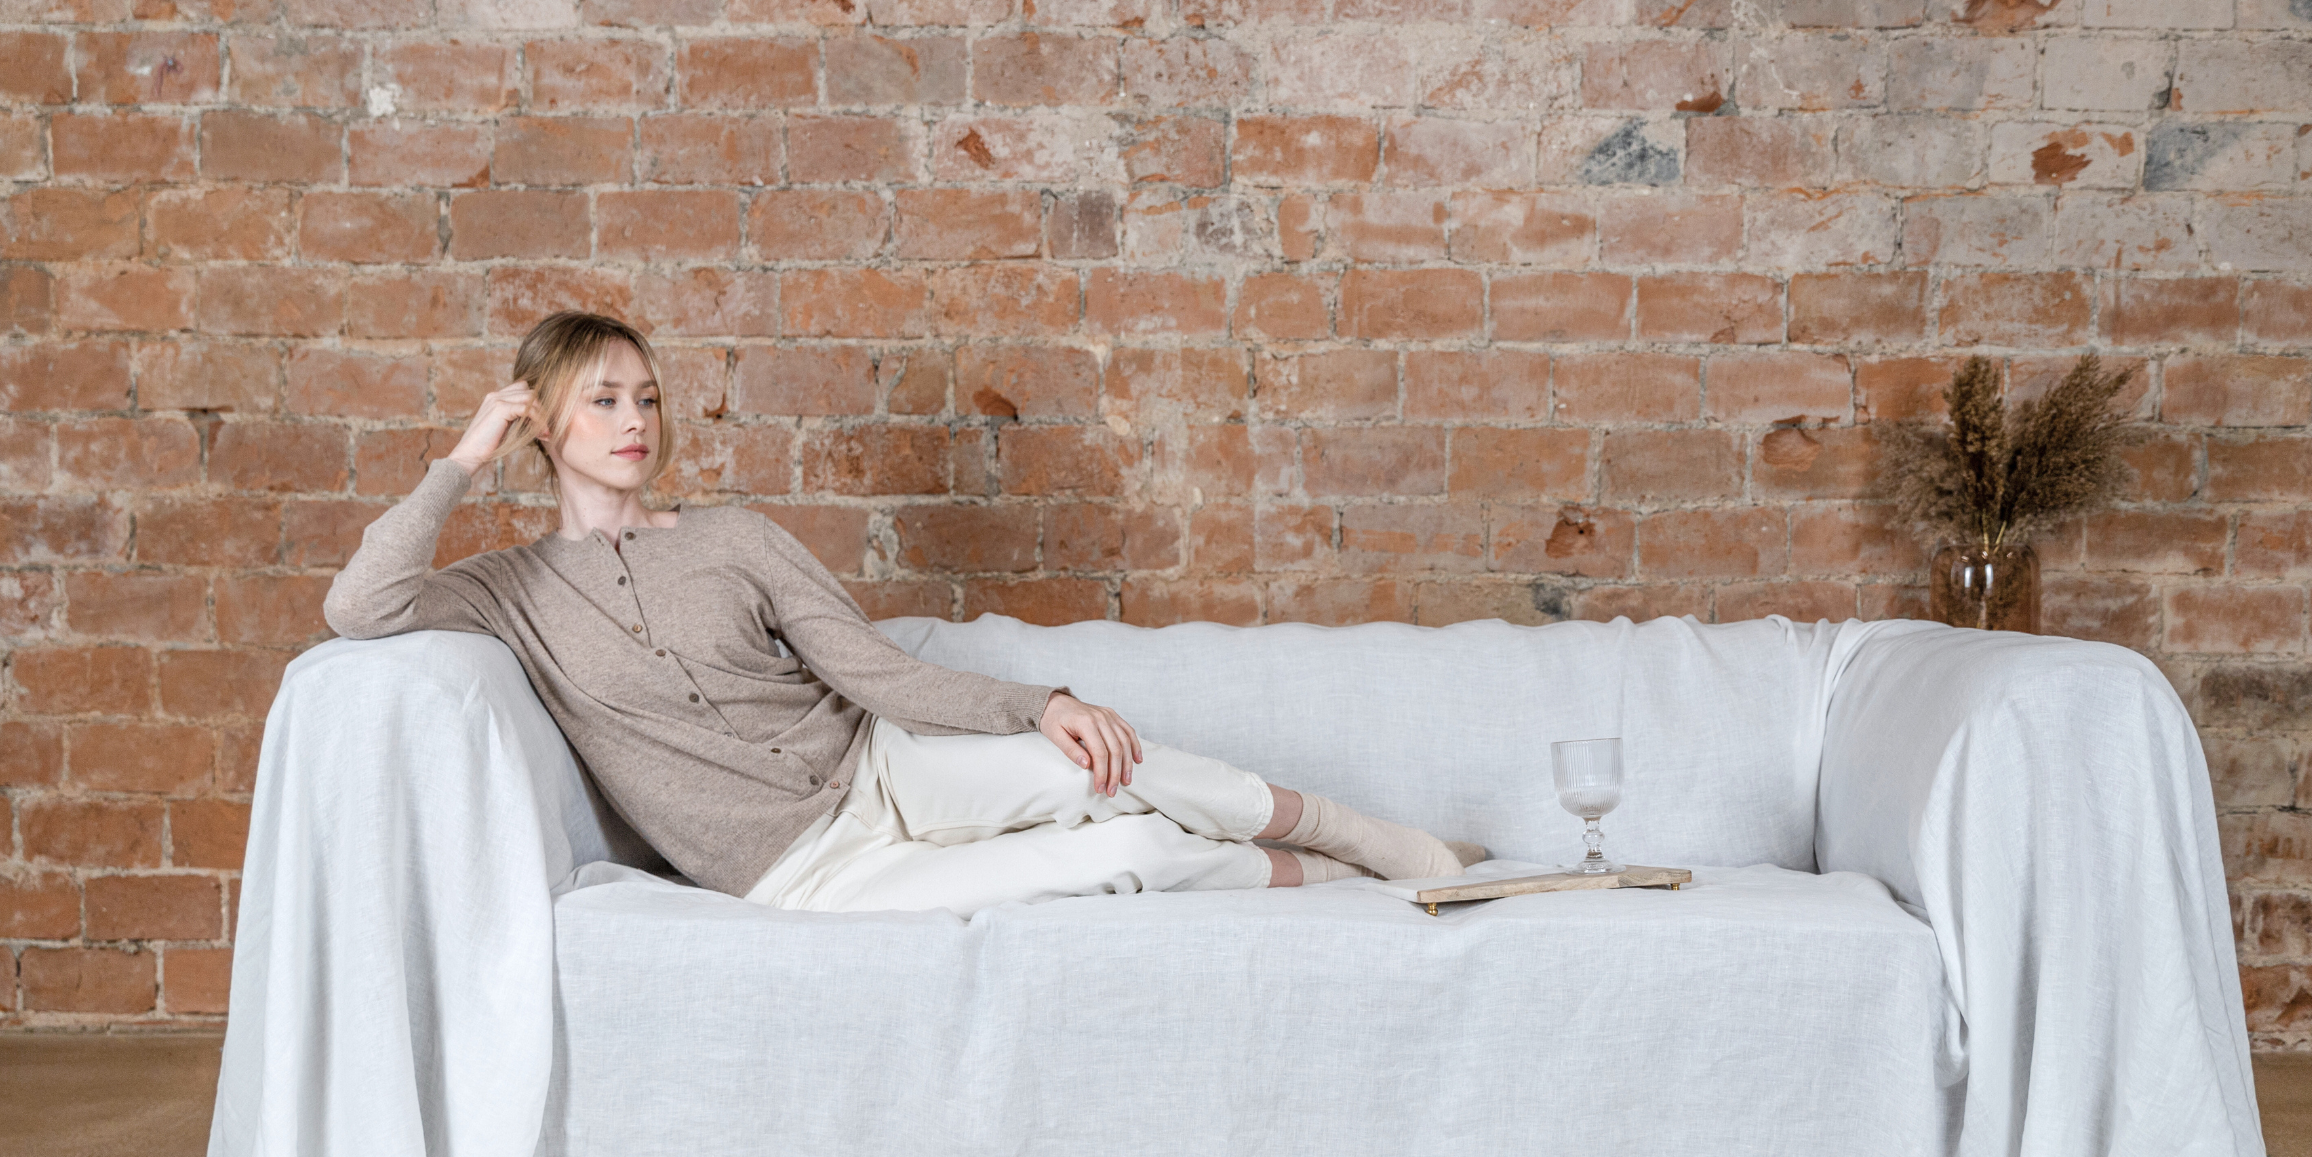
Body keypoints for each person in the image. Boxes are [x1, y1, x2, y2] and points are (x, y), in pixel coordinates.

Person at [324, 310, 1484, 917]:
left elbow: (868, 668)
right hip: (804, 874)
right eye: (605, 400)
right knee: (1120, 856)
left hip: (883, 766)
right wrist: (461, 459)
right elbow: (358, 606)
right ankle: (1344, 892)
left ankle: (1376, 843)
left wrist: (1042, 706)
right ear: (544, 422)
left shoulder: (732, 538)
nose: (636, 421)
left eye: (649, 397)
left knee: (1101, 776)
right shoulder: (503, 593)